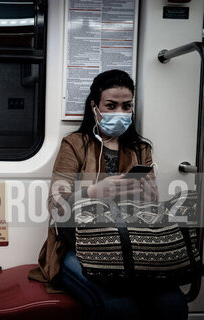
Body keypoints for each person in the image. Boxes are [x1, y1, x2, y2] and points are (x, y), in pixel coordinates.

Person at [34, 70, 188, 320]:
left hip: (132, 245)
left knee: (172, 303)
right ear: (95, 106)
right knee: (120, 306)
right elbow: (56, 205)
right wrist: (93, 192)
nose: (119, 112)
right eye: (111, 105)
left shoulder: (140, 149)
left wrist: (150, 199)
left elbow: (152, 213)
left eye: (126, 106)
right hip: (79, 247)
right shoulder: (75, 145)